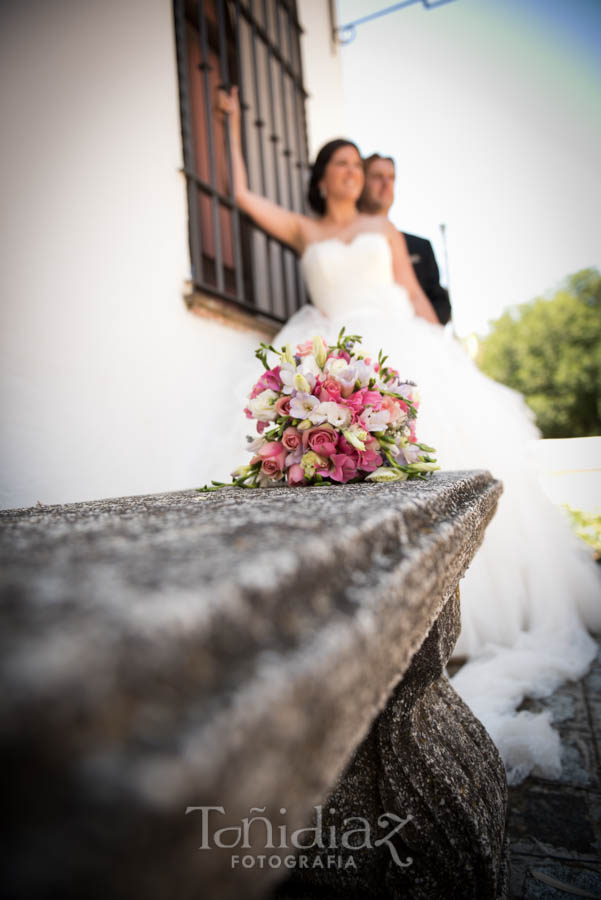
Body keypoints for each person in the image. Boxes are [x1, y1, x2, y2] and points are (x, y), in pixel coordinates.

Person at [214, 87, 601, 785]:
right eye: (340, 163)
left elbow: (416, 299)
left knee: (429, 463)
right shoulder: (305, 231)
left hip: (396, 346)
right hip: (326, 351)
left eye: (358, 165)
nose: (351, 173)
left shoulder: (383, 231)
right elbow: (241, 195)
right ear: (321, 175)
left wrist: (450, 358)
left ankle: (448, 617)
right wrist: (231, 122)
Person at [358, 153, 452, 325]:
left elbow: (441, 303)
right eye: (378, 177)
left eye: (391, 178)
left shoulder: (420, 247)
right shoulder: (350, 243)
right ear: (362, 182)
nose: (386, 184)